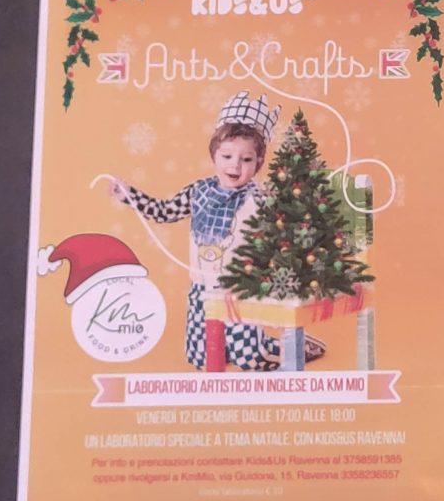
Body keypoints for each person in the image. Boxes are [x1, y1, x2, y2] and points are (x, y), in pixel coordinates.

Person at [106, 92, 317, 371]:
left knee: (248, 357)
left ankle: (291, 348)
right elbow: (164, 211)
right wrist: (129, 196)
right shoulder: (198, 191)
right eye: (227, 156)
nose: (235, 165)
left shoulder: (261, 197)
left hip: (241, 287)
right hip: (202, 285)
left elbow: (281, 234)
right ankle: (244, 347)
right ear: (214, 156)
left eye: (246, 159)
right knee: (202, 357)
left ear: (258, 164)